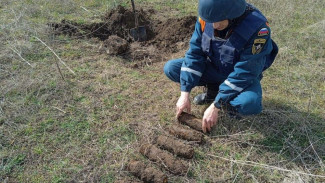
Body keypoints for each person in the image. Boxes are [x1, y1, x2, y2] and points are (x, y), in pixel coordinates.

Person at [163, 0, 278, 133]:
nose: (215, 25)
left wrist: (216, 106)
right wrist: (185, 93)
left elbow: (246, 71)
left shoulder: (258, 29)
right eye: (212, 21)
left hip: (241, 77)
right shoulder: (207, 18)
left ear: (233, 14)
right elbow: (195, 54)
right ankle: (213, 91)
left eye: (219, 21)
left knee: (249, 103)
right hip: (215, 68)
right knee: (171, 68)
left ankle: (227, 103)